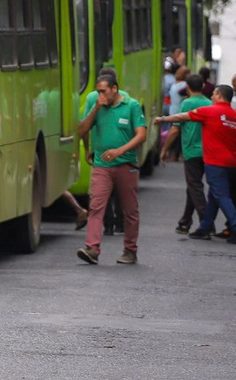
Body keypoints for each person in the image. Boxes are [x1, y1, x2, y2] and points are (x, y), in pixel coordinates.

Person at [76, 73, 147, 265]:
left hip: (126, 165)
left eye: (103, 91)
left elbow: (141, 135)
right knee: (96, 206)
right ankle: (92, 249)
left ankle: (130, 250)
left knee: (130, 210)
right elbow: (81, 131)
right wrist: (96, 108)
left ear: (114, 89)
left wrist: (119, 151)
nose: (100, 95)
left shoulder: (131, 106)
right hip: (102, 166)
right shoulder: (96, 104)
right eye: (98, 91)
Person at [155, 84, 236, 244]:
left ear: (219, 95)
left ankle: (234, 224)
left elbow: (181, 117)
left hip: (215, 162)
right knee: (214, 196)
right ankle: (204, 228)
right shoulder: (233, 115)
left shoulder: (210, 111)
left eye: (213, 94)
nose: (211, 97)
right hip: (232, 163)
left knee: (221, 195)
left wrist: (162, 119)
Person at [81, 66, 128, 235]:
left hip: (99, 149)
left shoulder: (92, 97)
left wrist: (87, 149)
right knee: (118, 188)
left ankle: (108, 225)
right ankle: (120, 223)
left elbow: (85, 126)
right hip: (120, 151)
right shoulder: (125, 97)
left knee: (102, 189)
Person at [161, 74, 209, 233]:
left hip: (191, 151)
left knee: (195, 187)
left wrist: (164, 149)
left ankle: (206, 223)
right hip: (207, 152)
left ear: (187, 87)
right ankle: (185, 221)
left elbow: (175, 129)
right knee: (193, 187)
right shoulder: (209, 103)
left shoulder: (186, 103)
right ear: (202, 86)